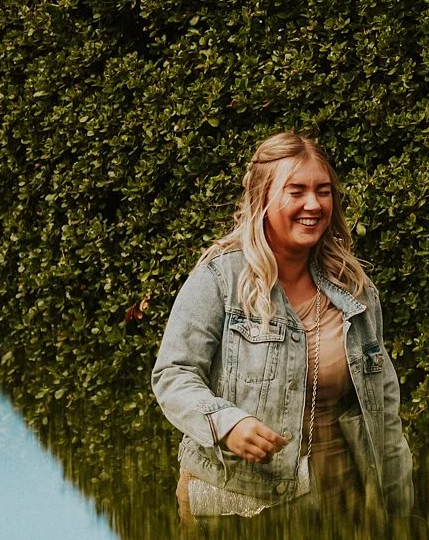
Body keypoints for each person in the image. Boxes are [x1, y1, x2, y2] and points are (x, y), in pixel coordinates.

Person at [153, 132, 413, 517]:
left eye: (323, 191)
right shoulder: (220, 281)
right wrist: (227, 423)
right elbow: (173, 374)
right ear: (264, 197)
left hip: (340, 501)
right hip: (236, 505)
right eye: (297, 191)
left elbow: (383, 407)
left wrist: (399, 507)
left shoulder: (354, 290)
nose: (313, 204)